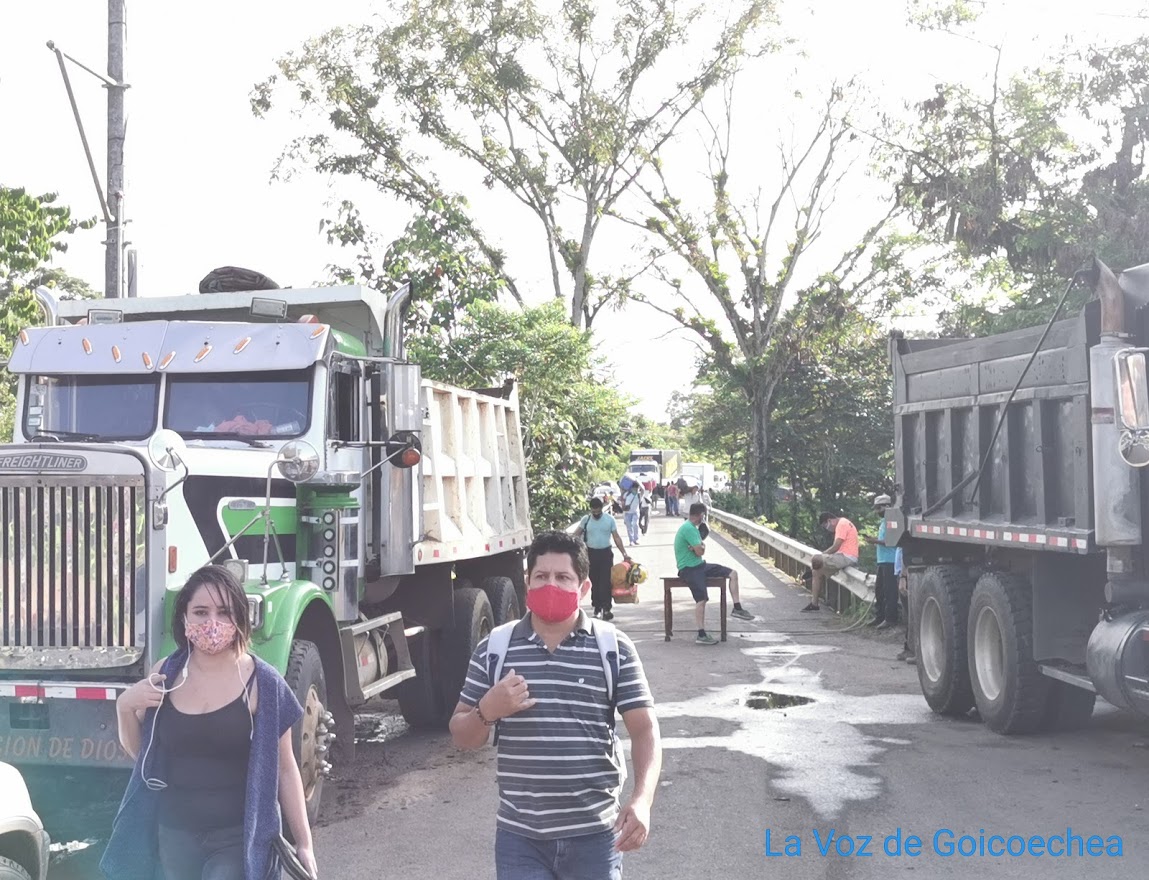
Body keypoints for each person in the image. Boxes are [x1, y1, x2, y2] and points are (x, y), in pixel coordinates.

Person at [450, 530, 662, 880]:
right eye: (542, 576)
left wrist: (642, 801)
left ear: (583, 588)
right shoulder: (494, 650)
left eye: (563, 577)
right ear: (527, 582)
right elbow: (461, 736)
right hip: (520, 840)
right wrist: (487, 710)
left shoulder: (614, 649)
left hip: (595, 837)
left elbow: (645, 730)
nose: (552, 585)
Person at [101, 565, 317, 880]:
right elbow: (144, 758)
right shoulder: (167, 674)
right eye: (201, 612)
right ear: (184, 618)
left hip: (236, 839)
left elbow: (285, 768)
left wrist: (305, 844)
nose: (212, 623)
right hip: (174, 836)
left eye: (224, 612)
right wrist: (124, 708)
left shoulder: (263, 684)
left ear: (240, 619)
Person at [674, 503, 754, 645]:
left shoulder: (692, 528)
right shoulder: (689, 529)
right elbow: (700, 551)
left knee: (732, 574)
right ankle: (701, 634)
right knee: (701, 599)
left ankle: (737, 608)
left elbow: (699, 549)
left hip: (699, 565)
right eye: (703, 516)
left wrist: (698, 547)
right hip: (689, 569)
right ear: (700, 515)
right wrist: (699, 547)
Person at [580, 497, 631, 621]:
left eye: (598, 512)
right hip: (590, 554)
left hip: (605, 553)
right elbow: (576, 533)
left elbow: (616, 537)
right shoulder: (586, 520)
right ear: (591, 510)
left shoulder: (609, 520)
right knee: (594, 582)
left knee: (606, 582)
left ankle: (606, 608)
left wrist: (624, 553)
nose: (596, 514)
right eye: (594, 512)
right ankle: (597, 607)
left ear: (602, 509)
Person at [803, 510, 859, 612]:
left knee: (815, 559)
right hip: (843, 556)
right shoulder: (844, 523)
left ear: (829, 521)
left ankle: (812, 567)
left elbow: (836, 546)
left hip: (846, 557)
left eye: (825, 526)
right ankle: (814, 603)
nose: (827, 529)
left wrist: (822, 555)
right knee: (816, 572)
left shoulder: (841, 524)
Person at [865, 494, 898, 629]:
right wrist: (874, 539)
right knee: (879, 590)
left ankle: (890, 618)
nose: (877, 511)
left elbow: (892, 541)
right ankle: (880, 616)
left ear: (887, 506)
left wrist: (874, 541)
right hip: (882, 560)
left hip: (890, 561)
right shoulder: (883, 522)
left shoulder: (893, 521)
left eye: (879, 508)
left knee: (889, 591)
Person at [895, 548, 915, 663]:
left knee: (911, 616)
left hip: (907, 576)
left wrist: (903, 577)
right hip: (903, 575)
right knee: (908, 615)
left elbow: (907, 555)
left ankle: (911, 649)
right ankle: (909, 648)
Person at [621, 481, 643, 546]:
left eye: (637, 489)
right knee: (629, 527)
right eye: (634, 489)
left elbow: (643, 489)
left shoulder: (639, 495)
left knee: (635, 524)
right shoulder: (627, 494)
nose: (635, 490)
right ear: (631, 488)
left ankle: (636, 539)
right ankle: (631, 540)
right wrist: (624, 516)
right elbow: (623, 503)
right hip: (627, 513)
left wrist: (638, 482)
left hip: (635, 513)